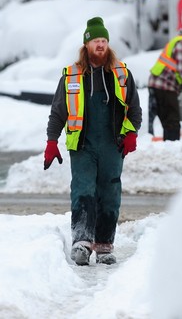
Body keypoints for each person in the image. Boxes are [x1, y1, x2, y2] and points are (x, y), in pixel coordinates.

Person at [43, 17, 142, 266]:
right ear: (86, 44)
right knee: (83, 191)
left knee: (110, 193)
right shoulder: (71, 76)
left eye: (104, 41)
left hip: (112, 144)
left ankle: (105, 245)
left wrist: (131, 133)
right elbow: (58, 111)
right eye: (96, 40)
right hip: (83, 145)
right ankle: (82, 243)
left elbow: (135, 109)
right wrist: (51, 141)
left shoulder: (121, 73)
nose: (100, 45)